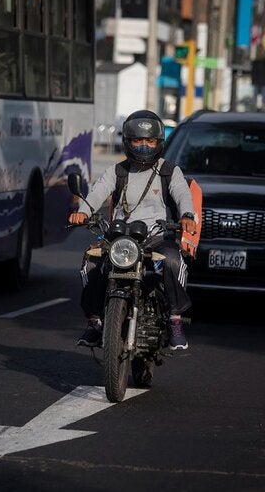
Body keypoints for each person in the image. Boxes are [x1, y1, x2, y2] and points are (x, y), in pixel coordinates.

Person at [68, 110, 197, 350]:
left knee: (173, 261)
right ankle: (95, 321)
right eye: (138, 140)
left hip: (156, 237)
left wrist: (187, 216)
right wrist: (83, 212)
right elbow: (97, 193)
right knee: (91, 263)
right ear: (128, 142)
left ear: (159, 142)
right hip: (119, 238)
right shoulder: (117, 171)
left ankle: (175, 320)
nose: (144, 146)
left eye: (150, 141)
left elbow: (182, 195)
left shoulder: (169, 171)